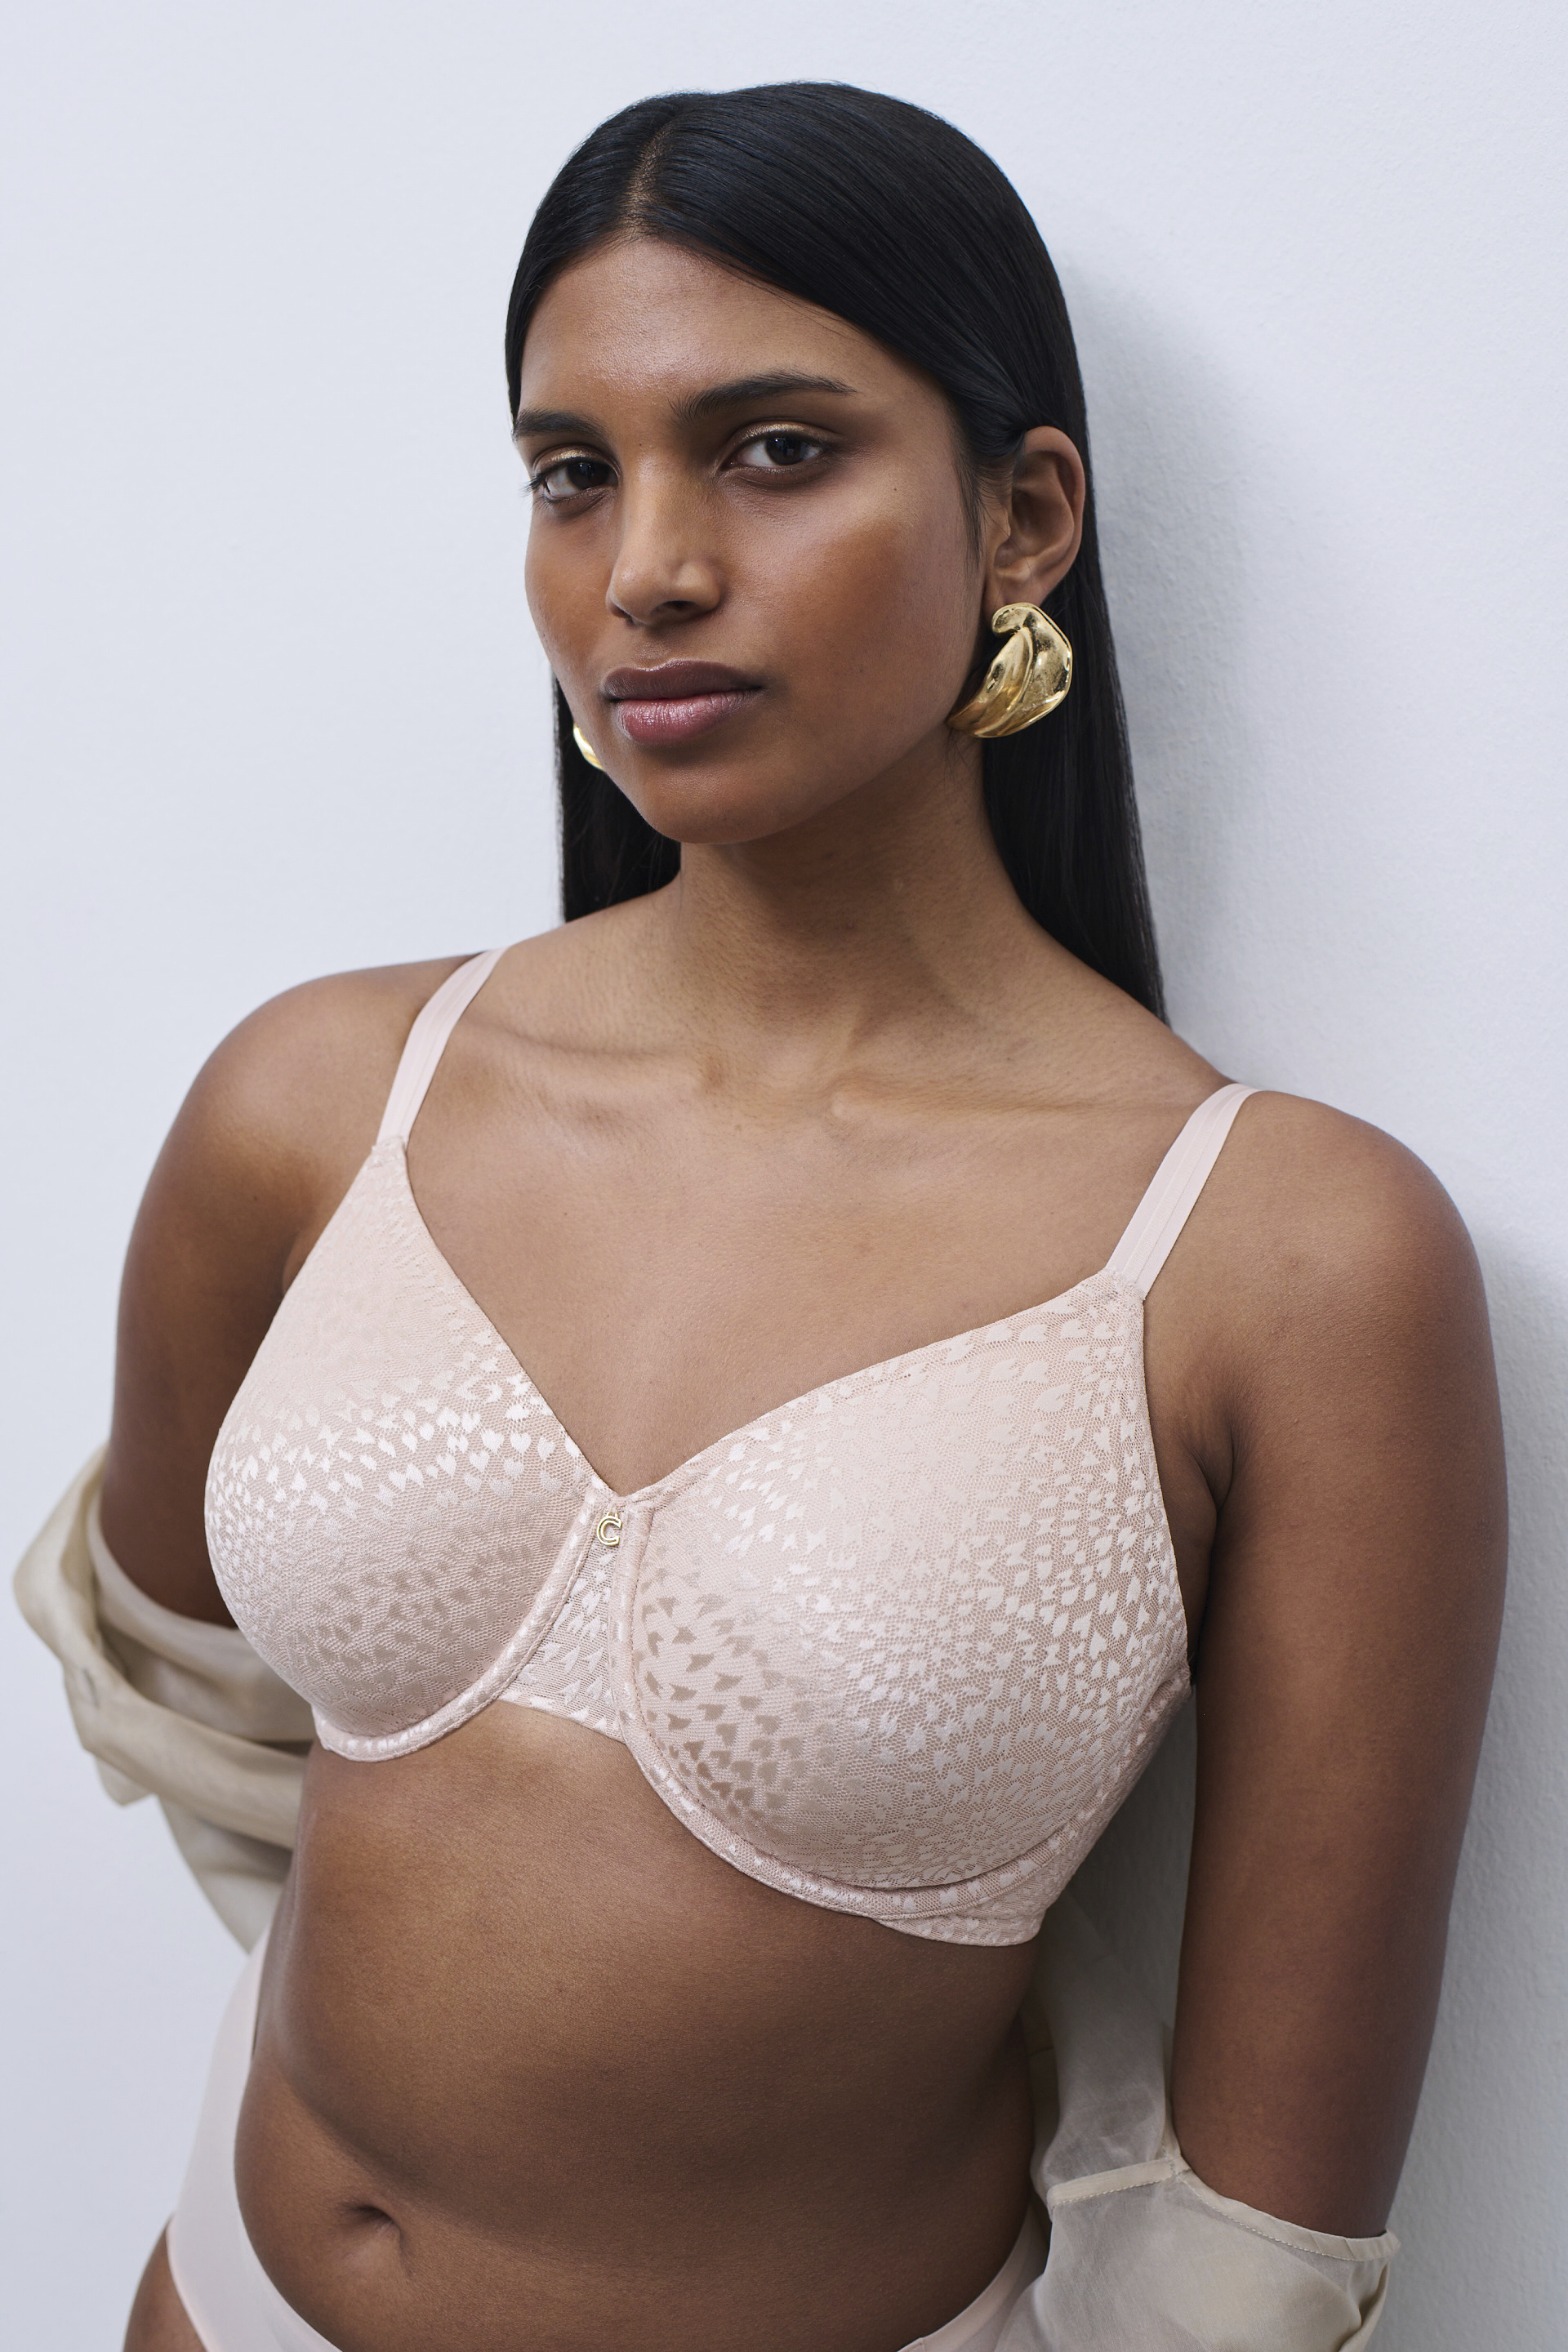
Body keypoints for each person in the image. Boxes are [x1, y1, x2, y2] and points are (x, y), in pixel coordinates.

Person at [16, 81, 1506, 2352]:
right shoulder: (319, 1106)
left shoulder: (1279, 1259)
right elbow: (190, 1694)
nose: (646, 571)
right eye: (570, 471)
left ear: (1025, 520)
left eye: (777, 449)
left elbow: (1249, 2238)